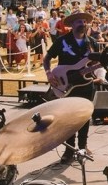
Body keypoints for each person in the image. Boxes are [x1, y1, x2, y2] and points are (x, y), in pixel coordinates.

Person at [43, 11, 103, 162]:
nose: (82, 24)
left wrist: (101, 68)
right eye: (78, 21)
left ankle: (82, 147)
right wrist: (49, 73)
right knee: (68, 118)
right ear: (72, 25)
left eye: (83, 21)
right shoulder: (62, 41)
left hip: (86, 84)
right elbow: (47, 58)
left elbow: (96, 64)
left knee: (84, 116)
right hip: (67, 84)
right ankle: (69, 151)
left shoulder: (92, 43)